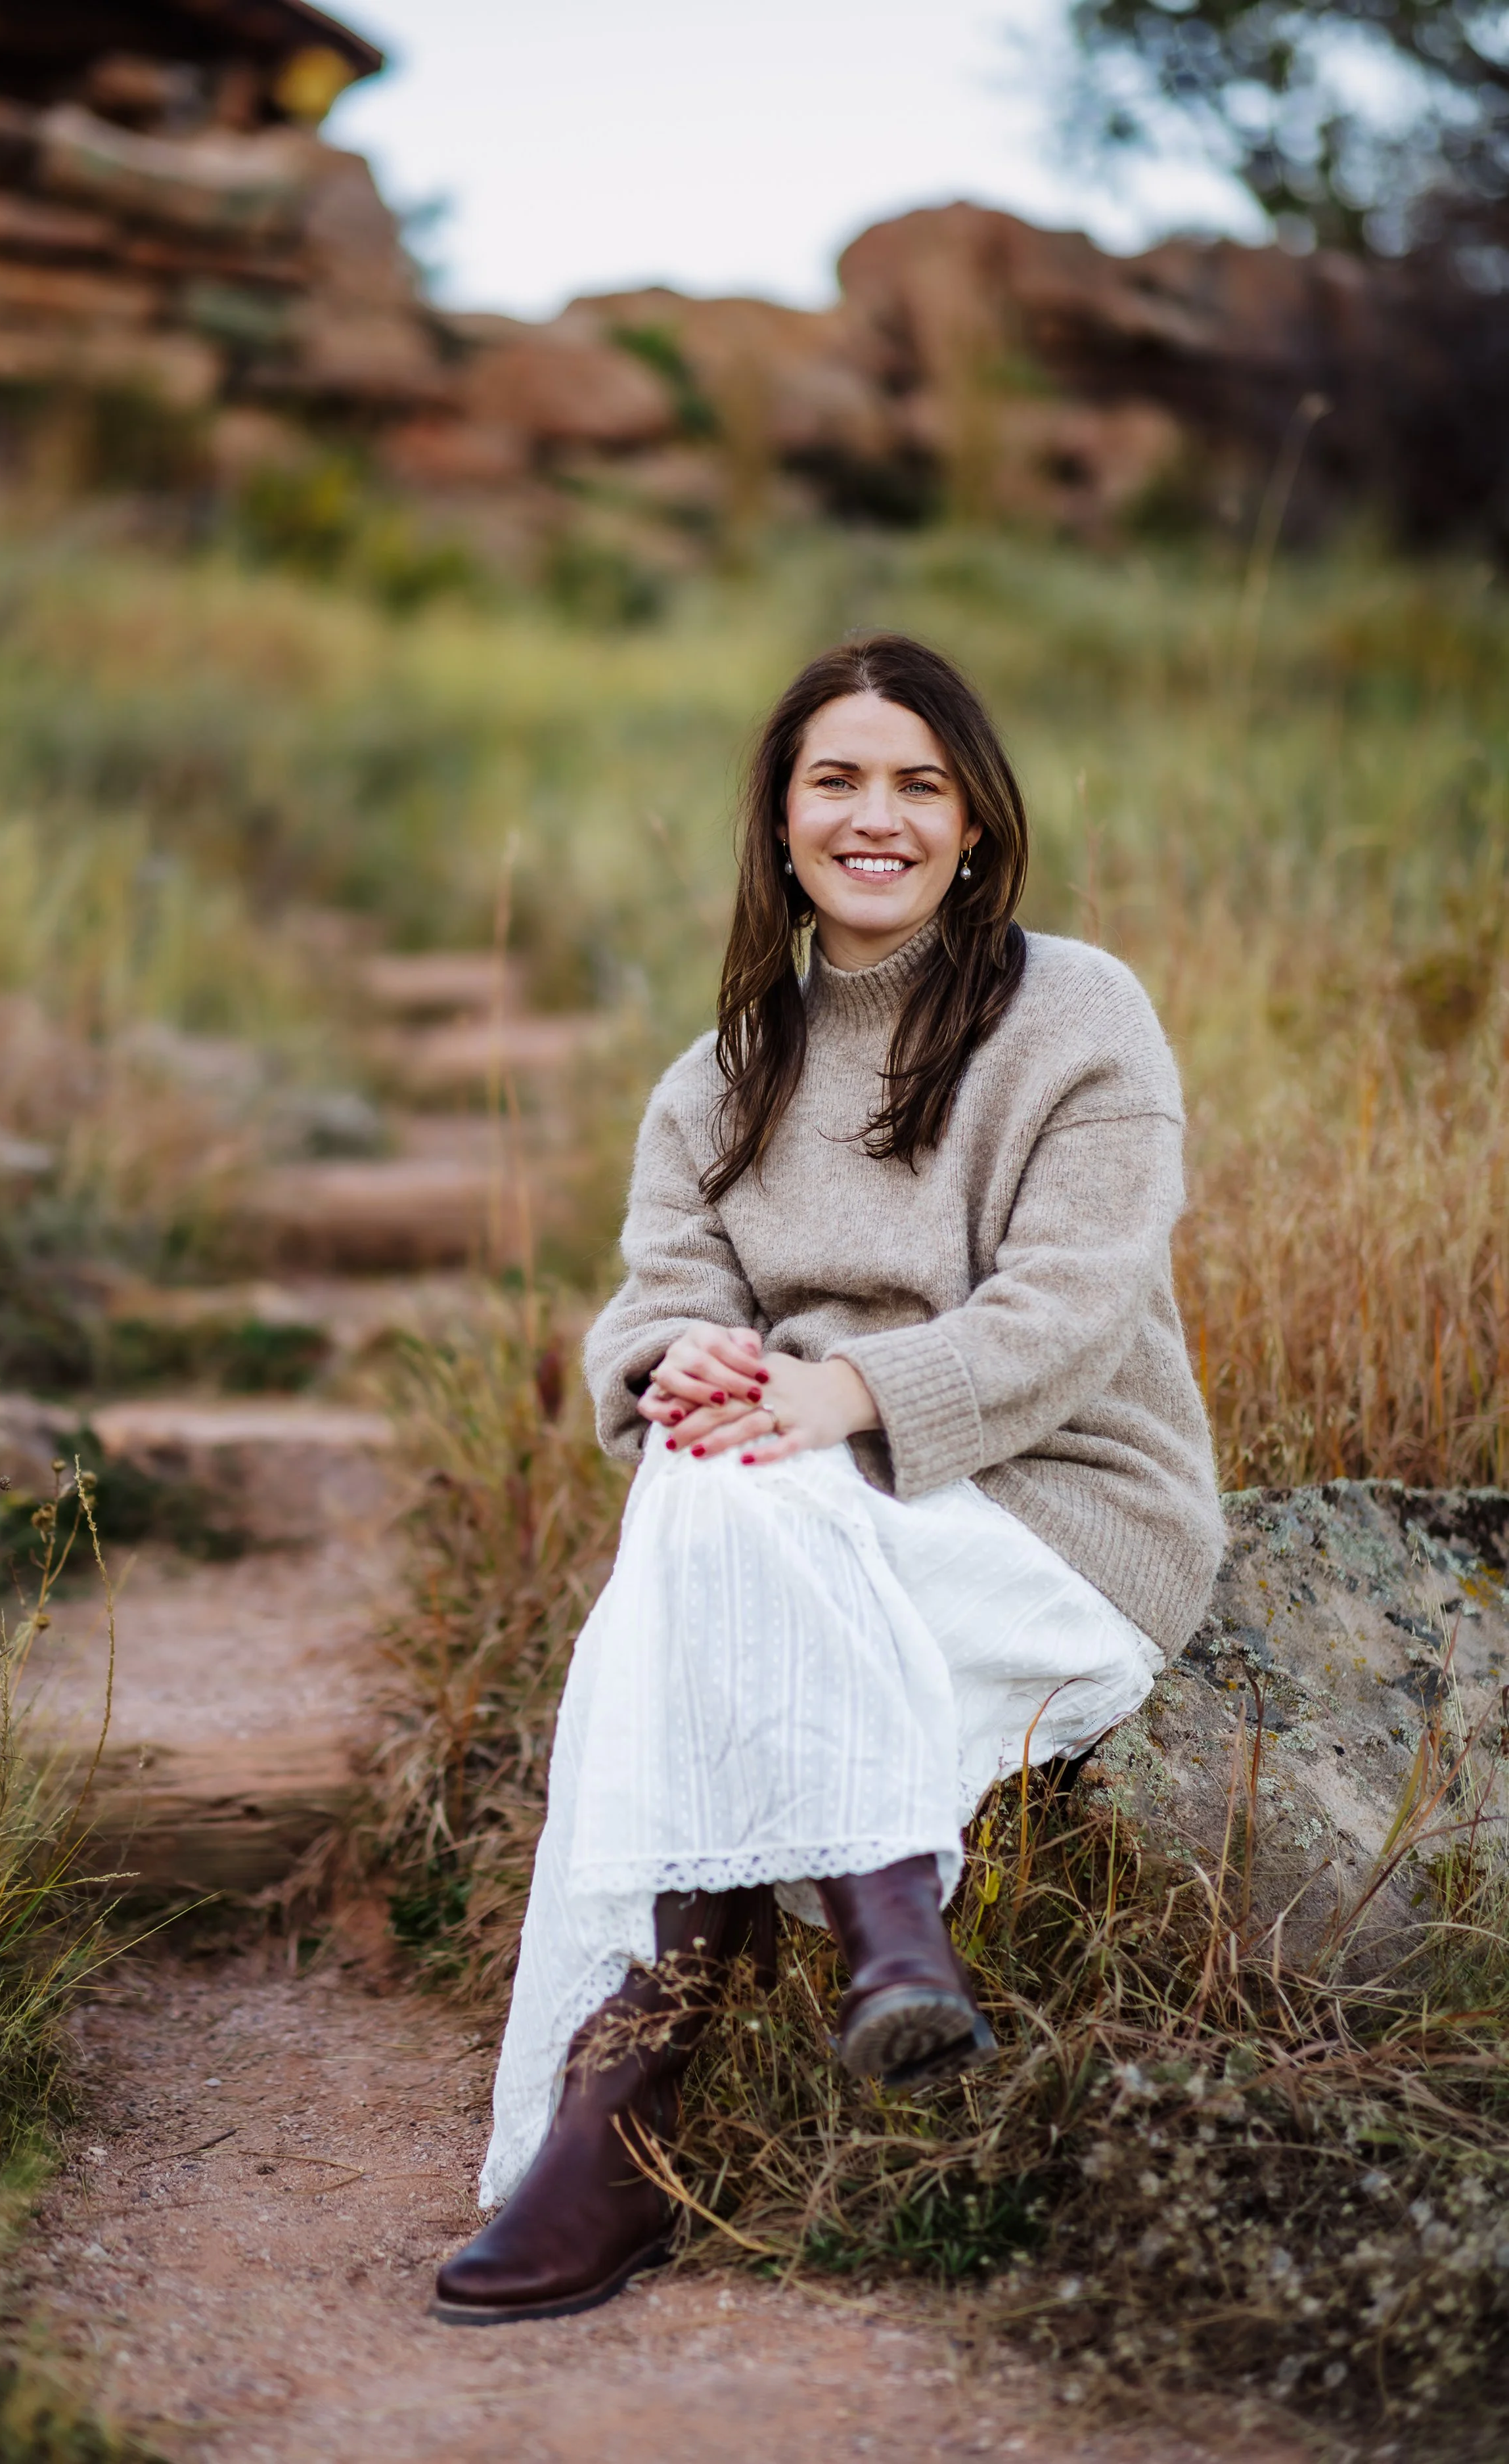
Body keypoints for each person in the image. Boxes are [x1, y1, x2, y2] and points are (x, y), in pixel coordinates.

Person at [433, 633, 1225, 2327]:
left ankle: (624, 2107)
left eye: (918, 785)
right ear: (780, 823)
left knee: (714, 1521)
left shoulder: (1075, 1015)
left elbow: (1075, 1310)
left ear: (976, 823)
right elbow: (655, 1308)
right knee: (710, 1475)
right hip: (805, 1510)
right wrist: (681, 1368)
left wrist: (841, 1391)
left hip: (1064, 1503)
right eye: (837, 781)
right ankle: (891, 1939)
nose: (877, 817)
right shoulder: (716, 1082)